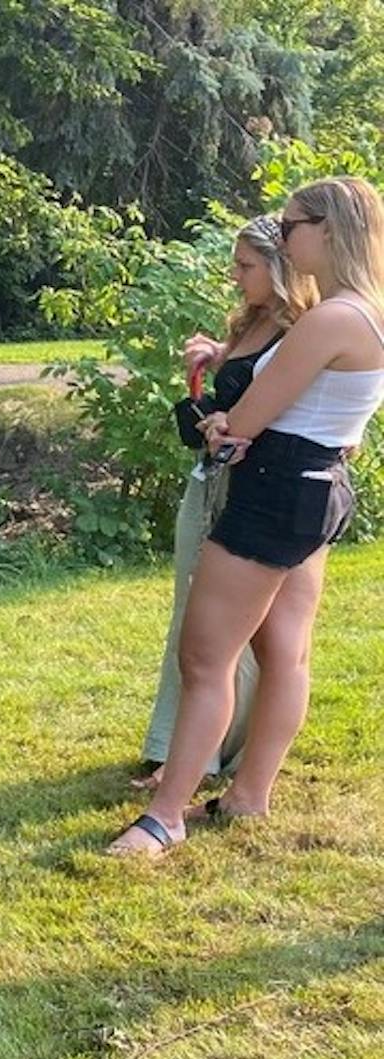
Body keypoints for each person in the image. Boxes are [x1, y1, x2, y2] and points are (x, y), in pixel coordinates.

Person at [110, 176, 384, 856]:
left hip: (272, 491)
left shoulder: (331, 318)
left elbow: (246, 422)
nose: (285, 238)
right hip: (320, 486)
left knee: (205, 654)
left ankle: (165, 815)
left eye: (292, 226)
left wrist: (221, 425)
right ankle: (247, 796)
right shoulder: (370, 311)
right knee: (284, 651)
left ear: (328, 230)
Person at [133, 215, 318, 790]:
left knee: (236, 635)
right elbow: (244, 389)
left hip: (259, 492)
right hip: (211, 480)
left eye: (246, 266)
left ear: (281, 268)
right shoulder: (252, 322)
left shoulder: (306, 332)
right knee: (196, 620)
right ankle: (183, 747)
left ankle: (208, 756)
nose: (235, 276)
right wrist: (217, 355)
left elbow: (287, 413)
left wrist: (229, 421)